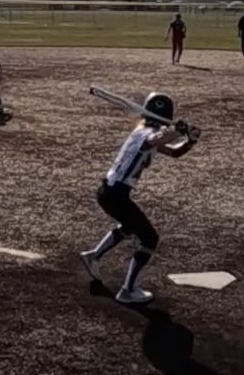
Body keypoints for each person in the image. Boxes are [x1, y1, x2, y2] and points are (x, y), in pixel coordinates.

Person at [79, 93, 199, 305]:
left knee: (128, 226)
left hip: (110, 192)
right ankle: (128, 290)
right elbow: (155, 140)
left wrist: (189, 141)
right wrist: (176, 131)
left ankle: (94, 256)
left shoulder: (144, 131)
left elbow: (173, 152)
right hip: (115, 194)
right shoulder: (145, 133)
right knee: (150, 238)